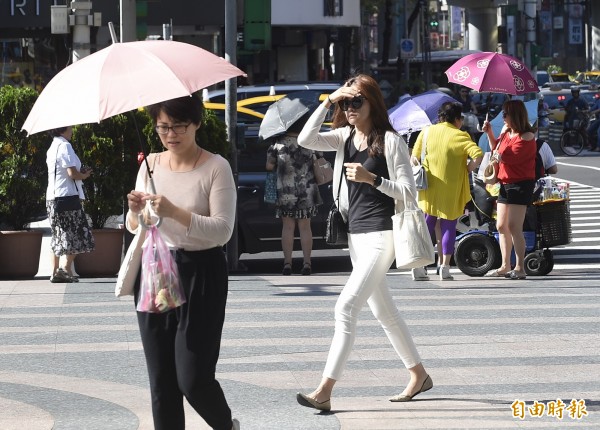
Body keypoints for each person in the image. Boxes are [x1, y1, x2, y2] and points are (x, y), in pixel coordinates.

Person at [295, 74, 432, 411]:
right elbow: (305, 138)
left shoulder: (390, 141)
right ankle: (419, 374)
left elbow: (409, 193)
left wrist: (374, 179)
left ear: (373, 103)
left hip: (381, 235)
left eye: (357, 101)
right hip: (355, 237)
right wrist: (329, 100)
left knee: (345, 307)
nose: (351, 108)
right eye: (347, 103)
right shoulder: (342, 137)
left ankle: (324, 391)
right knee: (384, 312)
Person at [125, 95, 240, 430]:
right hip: (155, 271)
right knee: (161, 383)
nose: (170, 134)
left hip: (200, 273)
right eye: (162, 127)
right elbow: (138, 227)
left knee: (193, 379)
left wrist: (174, 211)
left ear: (197, 124)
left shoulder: (216, 167)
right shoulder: (150, 166)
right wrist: (134, 212)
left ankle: (226, 425)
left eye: (178, 126)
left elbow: (223, 230)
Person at [410, 102, 483, 281]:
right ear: (457, 119)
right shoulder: (461, 135)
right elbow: (478, 155)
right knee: (448, 226)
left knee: (426, 226)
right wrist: (467, 168)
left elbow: (413, 157)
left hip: (429, 187)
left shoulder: (426, 132)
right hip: (452, 188)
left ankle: (419, 267)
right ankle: (445, 267)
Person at [482, 100, 537, 280]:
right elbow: (495, 149)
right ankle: (505, 265)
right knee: (501, 225)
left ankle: (520, 267)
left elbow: (512, 158)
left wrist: (499, 154)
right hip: (505, 183)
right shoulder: (507, 132)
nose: (503, 117)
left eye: (506, 114)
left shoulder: (527, 136)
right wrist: (490, 132)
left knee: (514, 226)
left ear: (515, 115)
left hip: (521, 184)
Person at [266, 116, 323, 276]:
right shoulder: (309, 141)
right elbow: (320, 158)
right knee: (305, 227)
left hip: (286, 192)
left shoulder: (277, 143)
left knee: (288, 227)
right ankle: (307, 263)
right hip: (307, 190)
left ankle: (287, 263)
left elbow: (269, 165)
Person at [45, 126, 95, 283]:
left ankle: (55, 272)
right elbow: (72, 174)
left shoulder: (53, 146)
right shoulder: (65, 146)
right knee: (78, 232)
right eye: (71, 127)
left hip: (52, 197)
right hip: (67, 196)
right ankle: (65, 269)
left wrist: (80, 171)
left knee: (57, 234)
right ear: (63, 129)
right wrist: (84, 175)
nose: (72, 130)